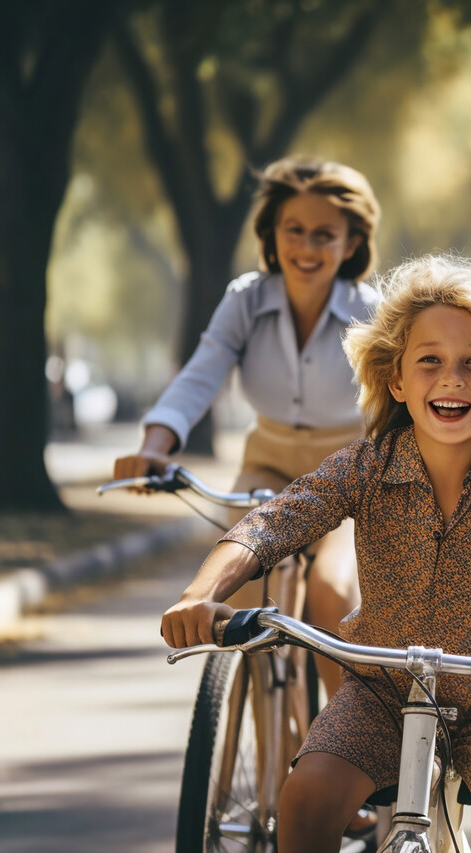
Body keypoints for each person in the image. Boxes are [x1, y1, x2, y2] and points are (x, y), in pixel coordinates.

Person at [160, 254, 471, 853]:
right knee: (303, 803)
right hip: (379, 690)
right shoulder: (365, 466)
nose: (451, 379)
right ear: (397, 379)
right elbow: (276, 520)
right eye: (429, 360)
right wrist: (201, 595)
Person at [113, 157, 380, 699]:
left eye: (324, 235)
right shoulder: (246, 300)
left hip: (349, 476)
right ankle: (243, 721)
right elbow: (201, 372)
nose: (306, 248)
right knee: (228, 603)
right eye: (294, 231)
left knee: (331, 591)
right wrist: (153, 446)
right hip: (267, 464)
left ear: (351, 244)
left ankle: (348, 743)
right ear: (272, 235)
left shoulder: (373, 312)